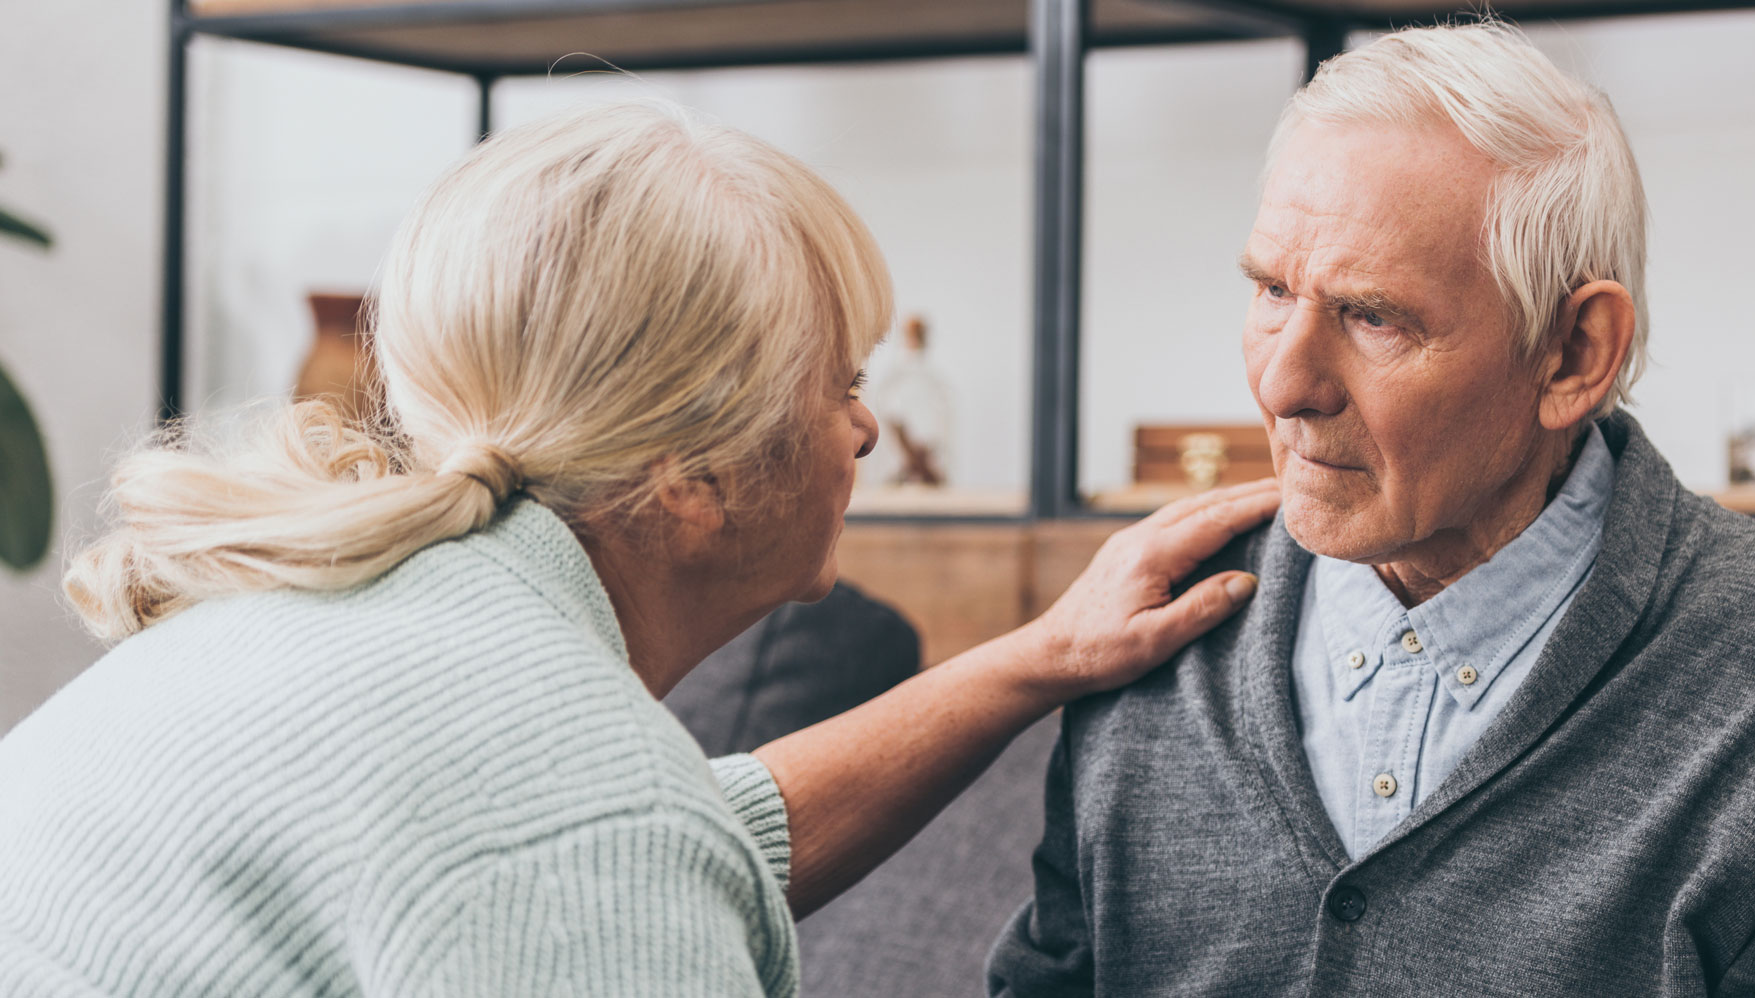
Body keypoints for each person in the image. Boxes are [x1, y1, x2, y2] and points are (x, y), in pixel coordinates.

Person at [0, 101, 1278, 997]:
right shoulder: (576, 809)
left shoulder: (338, 616)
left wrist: (1037, 657)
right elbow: (603, 846)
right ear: (693, 475)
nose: (868, 425)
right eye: (835, 381)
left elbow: (701, 835)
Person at [988, 22, 1755, 997]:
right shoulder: (1152, 634)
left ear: (1572, 355)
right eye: (1272, 288)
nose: (1283, 383)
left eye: (1372, 315)